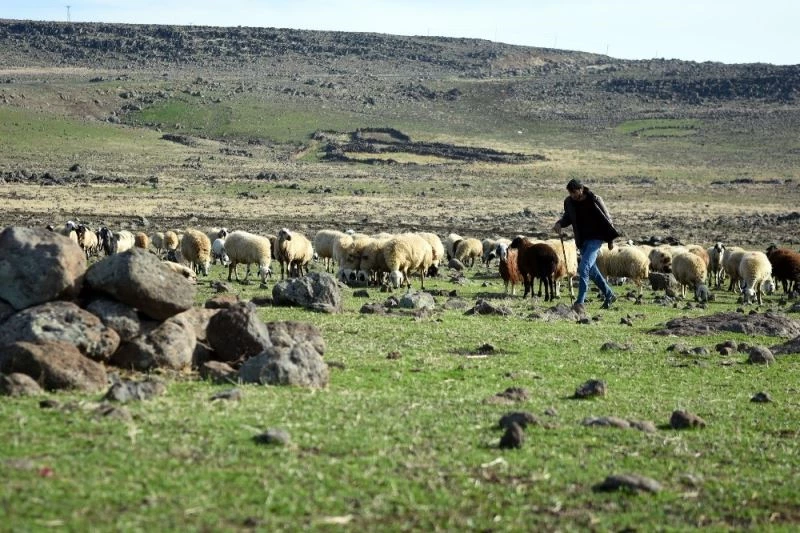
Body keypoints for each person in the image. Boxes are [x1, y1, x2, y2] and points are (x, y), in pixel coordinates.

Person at [552, 179, 620, 312]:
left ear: (581, 189)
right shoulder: (569, 202)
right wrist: (559, 223)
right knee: (592, 272)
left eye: (574, 192)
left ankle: (580, 302)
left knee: (583, 268)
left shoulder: (594, 199)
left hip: (596, 238)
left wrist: (611, 239)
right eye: (570, 193)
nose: (572, 195)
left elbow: (607, 219)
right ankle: (609, 294)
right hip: (582, 241)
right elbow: (568, 217)